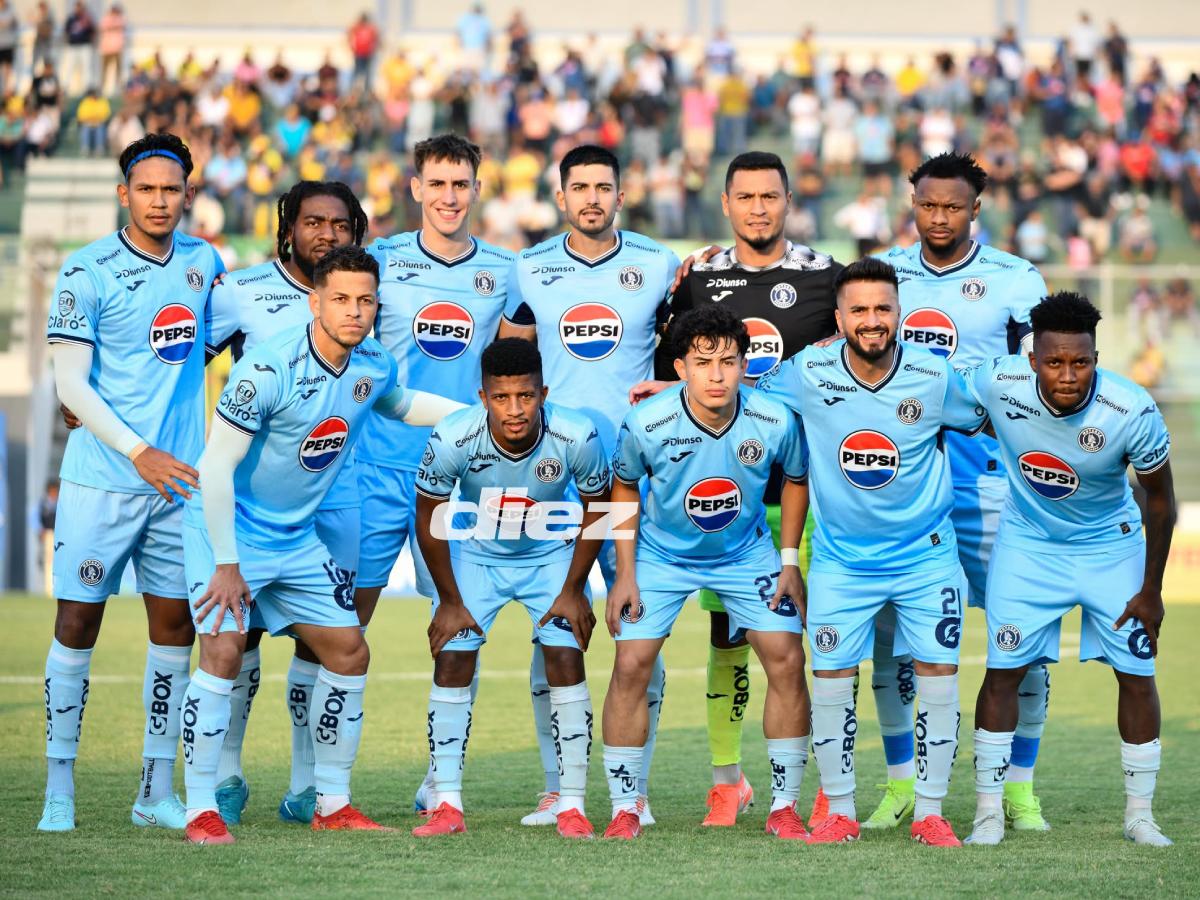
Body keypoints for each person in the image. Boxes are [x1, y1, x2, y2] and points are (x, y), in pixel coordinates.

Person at [179, 245, 462, 845]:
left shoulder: (373, 364)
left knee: (349, 653)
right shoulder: (265, 368)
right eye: (340, 299)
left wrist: (478, 417)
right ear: (314, 301)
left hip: (297, 537)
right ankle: (200, 807)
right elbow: (216, 468)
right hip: (229, 531)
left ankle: (331, 801)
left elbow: (404, 406)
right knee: (224, 652)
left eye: (365, 300)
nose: (354, 311)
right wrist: (227, 565)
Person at [632, 150, 840, 827]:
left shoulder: (825, 280)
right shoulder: (698, 278)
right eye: (745, 197)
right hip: (724, 491)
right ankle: (728, 779)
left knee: (796, 642)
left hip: (806, 490)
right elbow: (668, 372)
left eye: (770, 197)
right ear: (725, 203)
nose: (758, 208)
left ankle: (820, 782)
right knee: (727, 635)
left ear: (788, 202)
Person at [759, 258, 987, 847]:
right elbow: (741, 396)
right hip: (841, 561)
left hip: (926, 556)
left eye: (883, 308)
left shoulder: (935, 378)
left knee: (938, 674)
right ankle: (838, 811)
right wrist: (670, 388)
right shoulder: (805, 371)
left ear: (899, 314)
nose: (872, 320)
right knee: (831, 675)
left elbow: (995, 417)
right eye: (858, 310)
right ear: (838, 318)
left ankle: (930, 812)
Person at [40, 133, 225, 833]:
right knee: (77, 623)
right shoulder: (85, 271)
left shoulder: (205, 263)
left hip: (178, 486)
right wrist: (137, 449)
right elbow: (69, 385)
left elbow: (209, 343)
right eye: (145, 189)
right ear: (124, 194)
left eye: (170, 189)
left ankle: (154, 789)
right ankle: (60, 788)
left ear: (186, 194)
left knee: (173, 630)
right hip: (101, 481)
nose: (158, 200)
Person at [867, 151, 1051, 833]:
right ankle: (901, 785)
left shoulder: (1014, 278)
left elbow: (1047, 371)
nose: (938, 218)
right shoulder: (883, 274)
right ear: (910, 203)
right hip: (900, 484)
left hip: (994, 483)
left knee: (1019, 635)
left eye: (952, 207)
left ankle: (1018, 788)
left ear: (977, 209)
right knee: (893, 643)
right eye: (926, 205)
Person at [497, 143, 679, 827]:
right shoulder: (530, 268)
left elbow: (692, 351)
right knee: (556, 629)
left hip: (635, 481)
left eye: (605, 186)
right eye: (581, 187)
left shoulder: (660, 266)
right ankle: (557, 784)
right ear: (561, 196)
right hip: (555, 483)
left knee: (640, 633)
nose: (593, 198)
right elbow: (510, 364)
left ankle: (636, 789)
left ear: (622, 194)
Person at [963, 292, 1175, 848]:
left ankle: (1140, 815)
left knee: (1136, 673)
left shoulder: (1132, 409)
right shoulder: (997, 381)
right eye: (1054, 362)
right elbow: (937, 399)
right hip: (1028, 546)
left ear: (1096, 359)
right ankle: (987, 810)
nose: (1067, 375)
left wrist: (1151, 590)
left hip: (1111, 548)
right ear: (1031, 360)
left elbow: (1160, 501)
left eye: (1080, 362)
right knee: (1004, 669)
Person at [603, 305, 812, 840]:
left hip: (746, 554)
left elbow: (794, 479)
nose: (716, 375)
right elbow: (624, 486)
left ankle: (784, 806)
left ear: (746, 366)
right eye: (703, 363)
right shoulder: (646, 422)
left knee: (787, 659)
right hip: (662, 556)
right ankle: (625, 806)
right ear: (680, 368)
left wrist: (789, 563)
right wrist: (625, 572)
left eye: (728, 362)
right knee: (631, 663)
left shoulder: (774, 419)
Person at [203, 180, 369, 826]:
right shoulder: (242, 291)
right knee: (236, 633)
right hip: (256, 504)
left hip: (337, 496)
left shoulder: (361, 299)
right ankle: (225, 776)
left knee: (322, 640)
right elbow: (186, 362)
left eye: (338, 224)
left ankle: (308, 787)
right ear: (288, 227)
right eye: (313, 222)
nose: (325, 234)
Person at [357, 134, 515, 804]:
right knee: (343, 624)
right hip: (372, 469)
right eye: (437, 183)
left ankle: (438, 777)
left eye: (461, 184)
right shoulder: (378, 262)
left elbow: (518, 371)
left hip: (458, 477)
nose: (449, 196)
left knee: (460, 620)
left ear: (477, 190)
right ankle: (316, 783)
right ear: (415, 188)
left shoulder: (505, 273)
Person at [413, 338, 611, 838]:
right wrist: (451, 602)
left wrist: (573, 589)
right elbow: (428, 515)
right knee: (453, 656)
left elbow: (598, 509)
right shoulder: (453, 436)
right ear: (483, 397)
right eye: (501, 398)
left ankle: (570, 804)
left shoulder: (576, 433)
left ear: (542, 392)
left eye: (525, 396)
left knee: (565, 654)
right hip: (478, 556)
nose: (515, 409)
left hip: (550, 556)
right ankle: (447, 802)